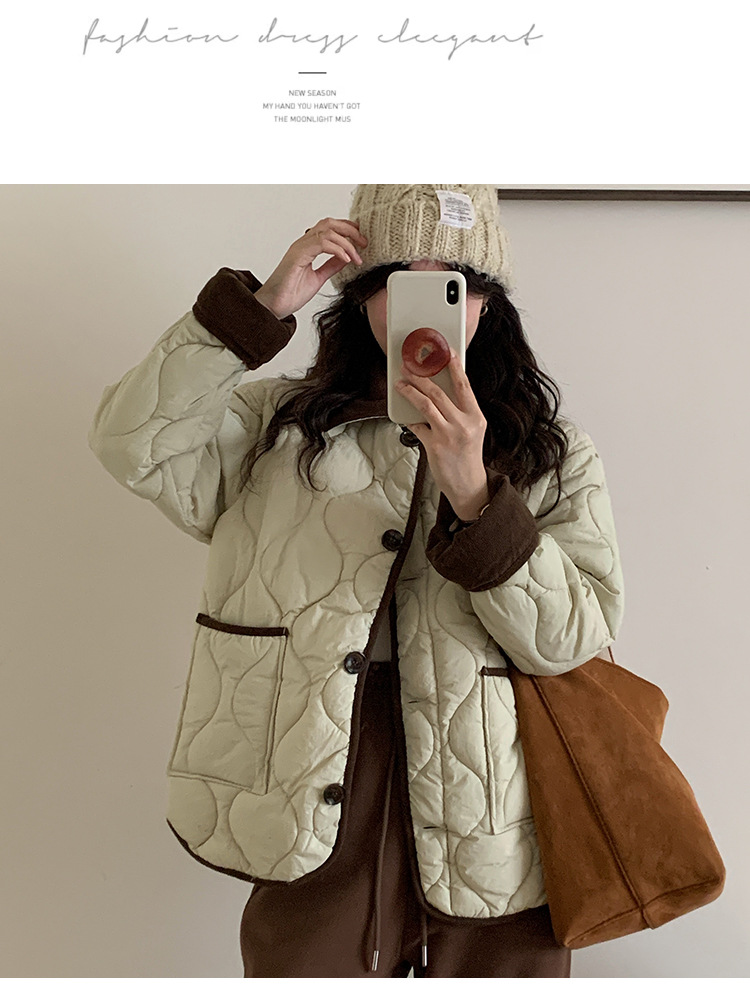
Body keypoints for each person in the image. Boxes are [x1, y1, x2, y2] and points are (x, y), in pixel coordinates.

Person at [89, 184, 624, 978]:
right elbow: (130, 443)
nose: (427, 307)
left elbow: (573, 638)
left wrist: (478, 495)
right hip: (311, 774)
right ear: (362, 293)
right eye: (398, 281)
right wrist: (261, 310)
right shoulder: (275, 427)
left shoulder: (551, 450)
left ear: (488, 303)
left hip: (499, 794)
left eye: (455, 284)